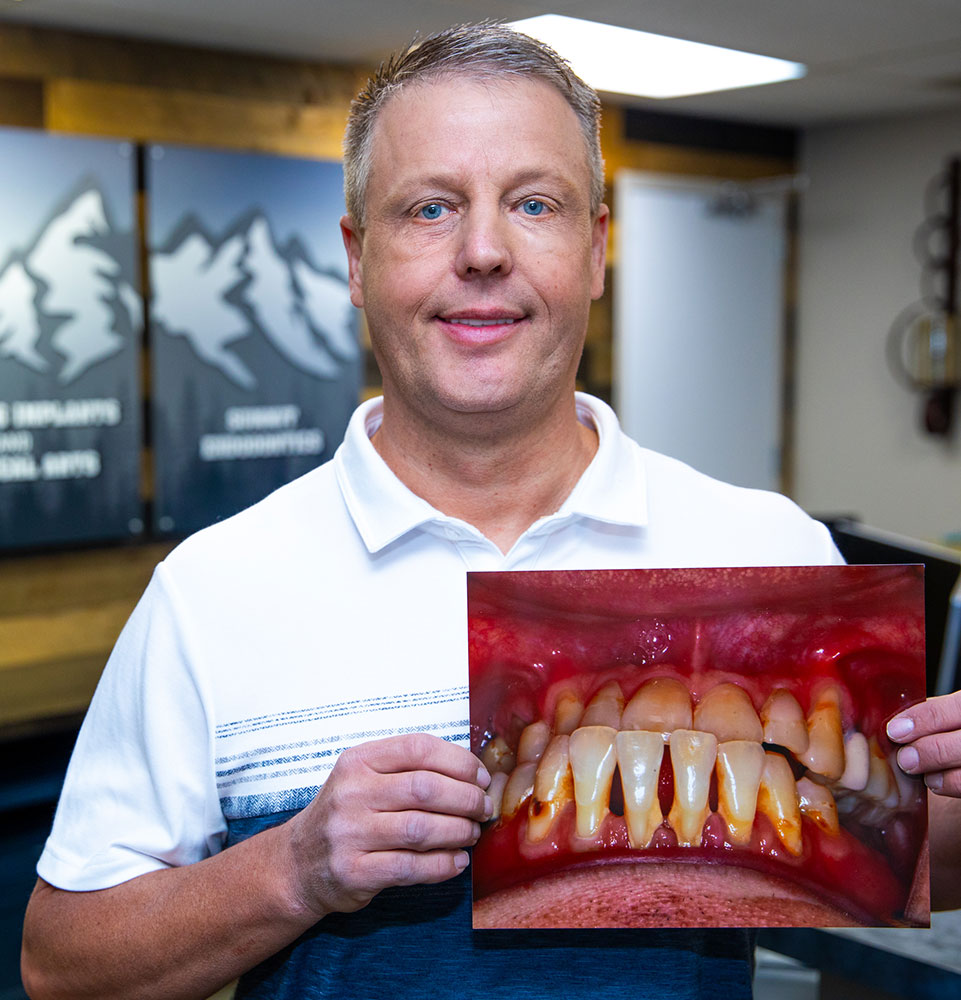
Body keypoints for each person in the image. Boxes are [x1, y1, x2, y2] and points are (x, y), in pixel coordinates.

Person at [20, 22, 961, 1000]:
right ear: (354, 259)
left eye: (534, 203)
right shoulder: (213, 592)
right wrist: (293, 868)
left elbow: (906, 864)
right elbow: (59, 965)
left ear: (595, 250)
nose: (482, 251)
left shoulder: (769, 550)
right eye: (429, 208)